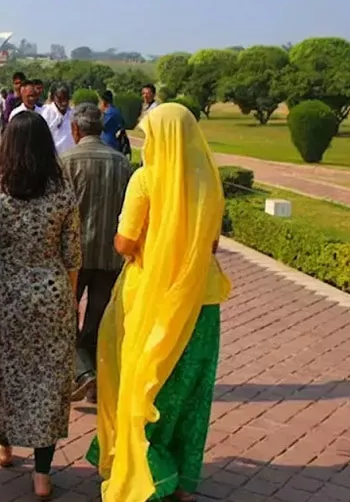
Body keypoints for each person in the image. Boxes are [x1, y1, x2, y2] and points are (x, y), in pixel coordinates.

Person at [86, 103, 231, 502]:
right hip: (201, 303)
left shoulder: (146, 180)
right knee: (189, 394)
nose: (146, 141)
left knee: (144, 388)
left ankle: (150, 472)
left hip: (151, 300)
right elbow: (212, 243)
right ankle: (183, 481)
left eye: (150, 133)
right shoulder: (208, 180)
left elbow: (125, 242)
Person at [0, 111, 81, 501]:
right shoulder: (62, 192)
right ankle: (41, 473)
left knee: (6, 372)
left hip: (7, 296)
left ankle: (3, 445)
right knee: (50, 382)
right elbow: (73, 255)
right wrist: (71, 302)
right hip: (52, 292)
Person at [60, 103, 131, 404]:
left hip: (73, 255)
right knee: (99, 318)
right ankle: (94, 376)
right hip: (110, 253)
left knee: (64, 316)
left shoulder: (66, 161)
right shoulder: (121, 163)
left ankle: (82, 371)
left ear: (75, 129)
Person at [40, 86, 75, 154]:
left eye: (66, 98)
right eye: (60, 98)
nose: (64, 102)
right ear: (53, 98)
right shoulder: (45, 113)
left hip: (70, 156)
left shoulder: (73, 113)